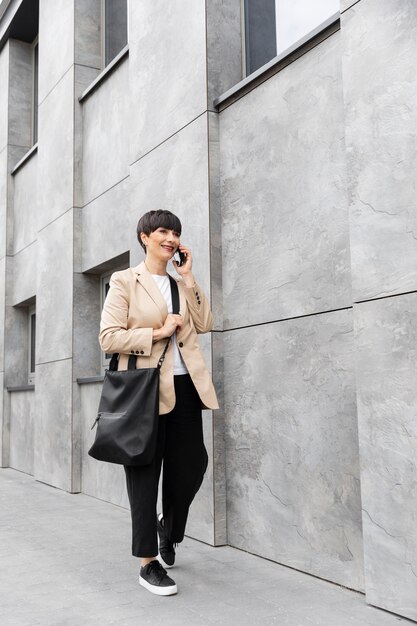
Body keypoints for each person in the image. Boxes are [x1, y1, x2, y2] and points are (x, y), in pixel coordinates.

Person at [99, 209, 218, 596]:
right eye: (163, 231)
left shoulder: (179, 283)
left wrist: (189, 277)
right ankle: (148, 563)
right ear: (144, 237)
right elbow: (109, 337)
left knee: (192, 466)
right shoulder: (123, 281)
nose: (170, 238)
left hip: (186, 389)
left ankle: (169, 530)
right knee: (145, 474)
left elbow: (204, 322)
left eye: (176, 233)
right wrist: (157, 331)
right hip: (145, 388)